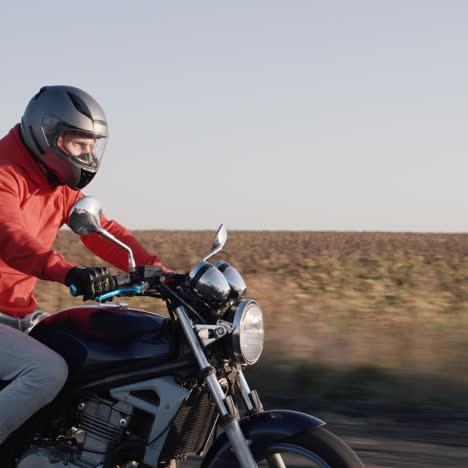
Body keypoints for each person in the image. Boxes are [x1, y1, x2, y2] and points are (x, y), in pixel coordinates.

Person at [0, 85, 169, 446]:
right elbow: (10, 236)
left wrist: (162, 273)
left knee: (88, 358)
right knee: (45, 372)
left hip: (18, 314)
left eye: (92, 146)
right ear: (48, 135)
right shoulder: (5, 172)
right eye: (79, 144)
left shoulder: (53, 181)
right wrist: (67, 271)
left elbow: (100, 230)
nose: (88, 155)